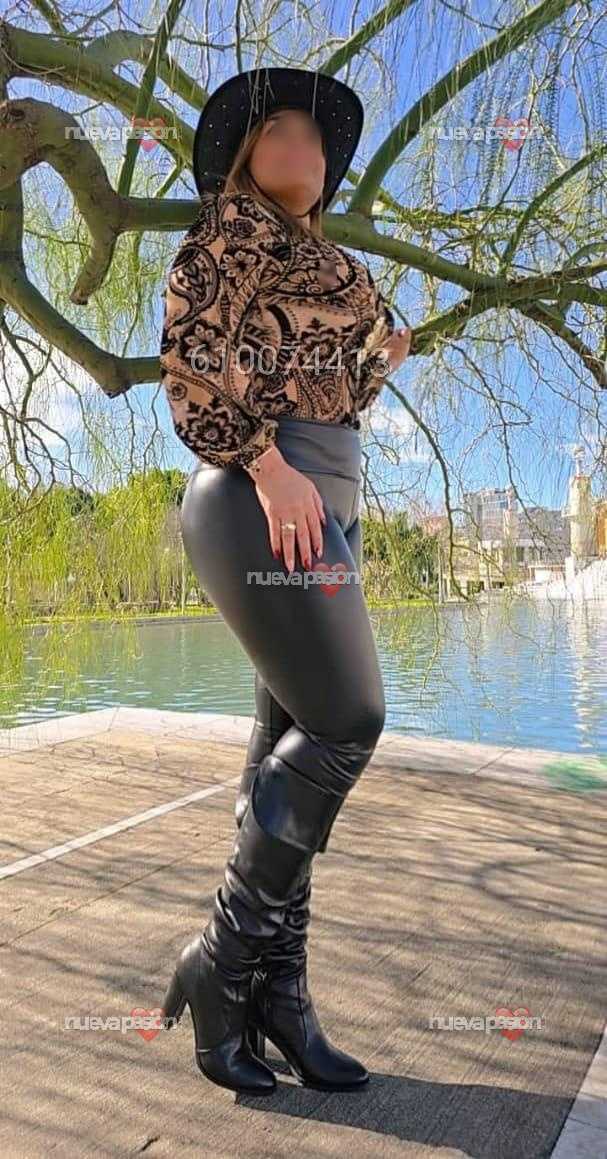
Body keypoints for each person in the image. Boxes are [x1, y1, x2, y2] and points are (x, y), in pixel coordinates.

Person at [158, 65, 412, 1096]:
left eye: (314, 134)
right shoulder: (228, 233)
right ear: (243, 158)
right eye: (278, 131)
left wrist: (381, 360)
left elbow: (327, 385)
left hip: (326, 495)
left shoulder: (333, 264)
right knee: (348, 719)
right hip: (263, 490)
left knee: (286, 750)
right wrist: (268, 467)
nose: (301, 144)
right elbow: (190, 361)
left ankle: (281, 996)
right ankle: (220, 964)